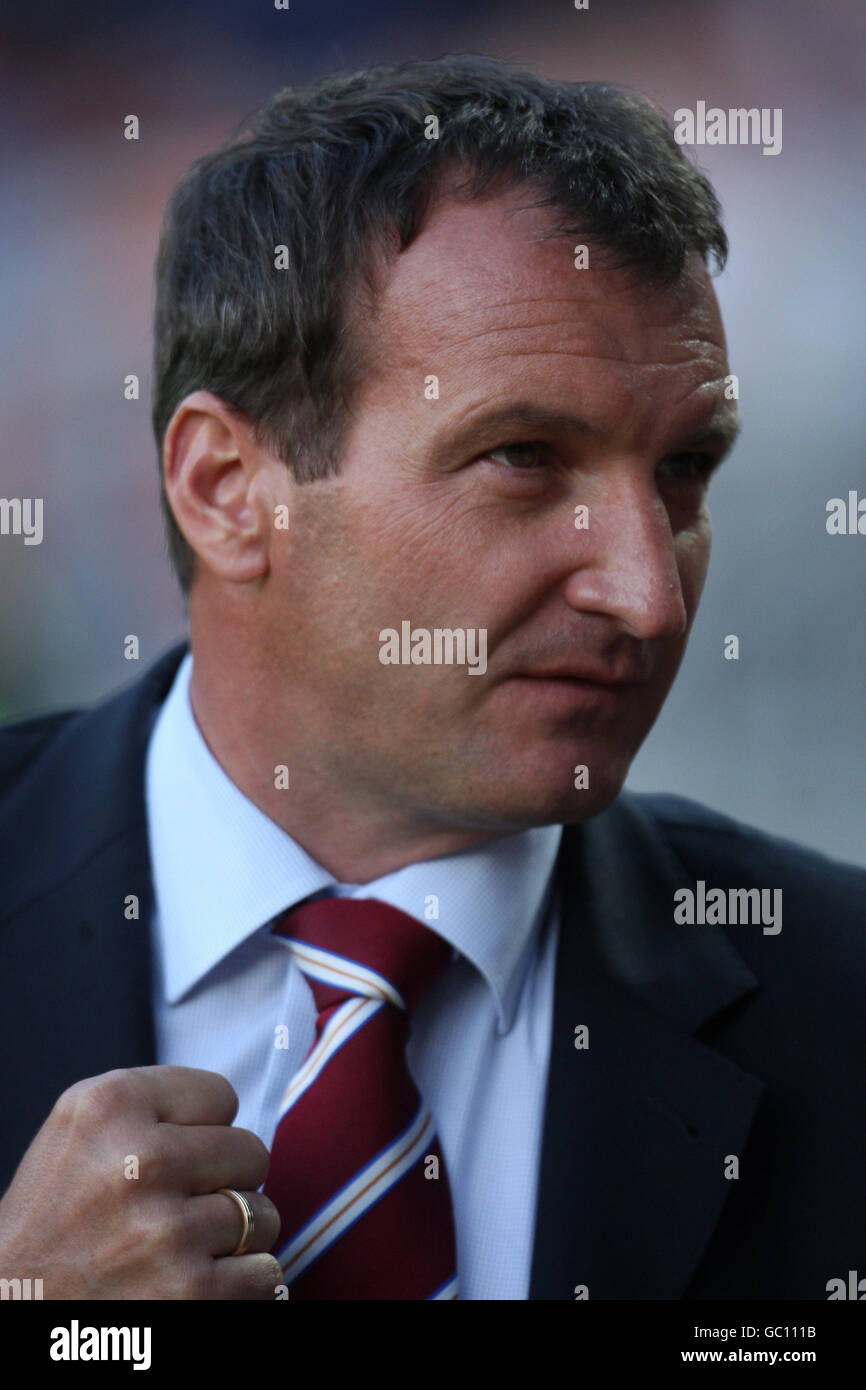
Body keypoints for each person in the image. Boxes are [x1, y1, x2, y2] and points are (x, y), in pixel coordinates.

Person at [0, 55, 863, 1302]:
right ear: (227, 491)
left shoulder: (832, 1000)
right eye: (522, 457)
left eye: (683, 473)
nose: (646, 592)